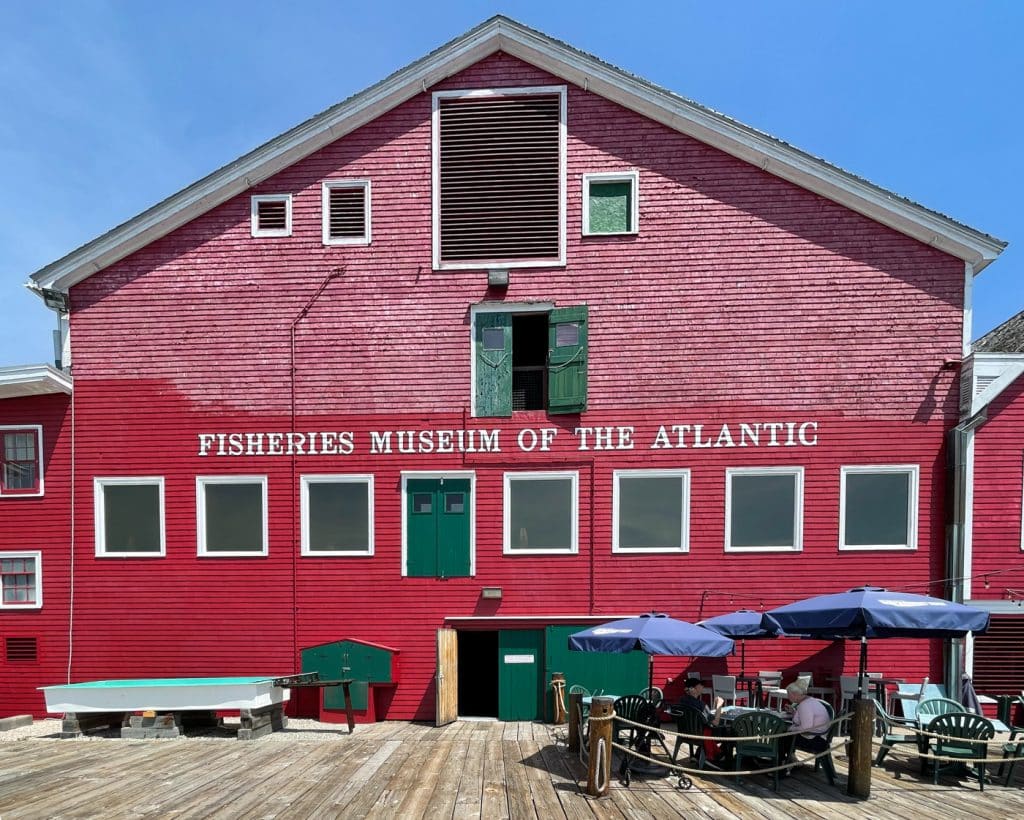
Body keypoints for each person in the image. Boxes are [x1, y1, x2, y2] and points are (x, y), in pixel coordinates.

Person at [677, 676, 730, 763]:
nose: (702, 686)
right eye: (700, 685)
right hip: (701, 735)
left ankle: (698, 755)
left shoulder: (681, 700)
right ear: (693, 689)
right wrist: (719, 705)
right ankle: (721, 756)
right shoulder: (701, 705)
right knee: (728, 731)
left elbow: (706, 716)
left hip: (684, 732)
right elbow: (715, 723)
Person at [783, 678, 830, 766]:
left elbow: (806, 728)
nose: (788, 697)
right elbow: (805, 719)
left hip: (815, 740)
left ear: (795, 694)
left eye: (788, 694)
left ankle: (784, 765)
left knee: (782, 737)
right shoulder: (809, 701)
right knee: (786, 735)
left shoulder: (804, 705)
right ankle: (791, 760)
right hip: (821, 737)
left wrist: (791, 729)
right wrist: (794, 712)